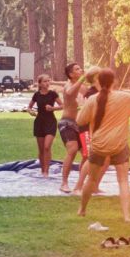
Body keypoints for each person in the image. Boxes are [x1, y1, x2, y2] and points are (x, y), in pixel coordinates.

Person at [76, 68, 130, 221]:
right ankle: (127, 216)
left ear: (99, 82)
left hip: (98, 145)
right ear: (114, 81)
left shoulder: (92, 99)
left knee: (92, 180)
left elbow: (79, 121)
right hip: (118, 145)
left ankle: (82, 209)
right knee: (123, 181)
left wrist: (85, 108)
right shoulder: (123, 97)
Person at [58, 62, 88, 193]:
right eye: (77, 69)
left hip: (81, 124)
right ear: (71, 74)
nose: (80, 70)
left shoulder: (84, 87)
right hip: (67, 123)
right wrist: (82, 79)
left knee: (87, 154)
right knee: (73, 150)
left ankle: (80, 184)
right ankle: (64, 183)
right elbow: (70, 94)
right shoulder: (68, 86)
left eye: (80, 68)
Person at [26, 74, 62, 177]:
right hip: (39, 122)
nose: (47, 83)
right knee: (41, 149)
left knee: (47, 147)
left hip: (50, 122)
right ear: (40, 83)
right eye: (45, 81)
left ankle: (46, 171)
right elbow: (29, 107)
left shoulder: (53, 94)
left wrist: (52, 108)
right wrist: (30, 111)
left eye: (48, 81)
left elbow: (62, 105)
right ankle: (42, 170)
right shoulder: (36, 95)